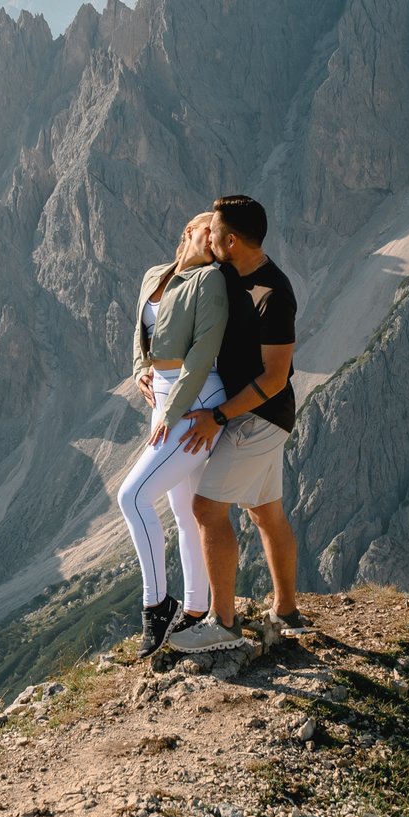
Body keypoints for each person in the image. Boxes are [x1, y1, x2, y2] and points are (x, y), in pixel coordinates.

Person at [164, 192, 306, 653]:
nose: (208, 237)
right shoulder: (229, 270)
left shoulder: (274, 294)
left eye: (215, 233)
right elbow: (193, 235)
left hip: (258, 418)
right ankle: (286, 613)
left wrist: (219, 416)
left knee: (205, 510)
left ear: (231, 241)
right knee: (266, 512)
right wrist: (149, 371)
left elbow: (275, 375)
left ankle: (222, 625)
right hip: (258, 415)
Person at [114, 212, 232, 654]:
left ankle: (157, 606)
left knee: (133, 496)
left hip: (196, 398)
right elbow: (141, 330)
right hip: (164, 398)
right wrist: (140, 369)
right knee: (187, 513)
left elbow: (203, 352)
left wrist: (173, 413)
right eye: (210, 231)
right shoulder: (154, 275)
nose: (218, 239)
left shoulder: (211, 281)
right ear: (189, 232)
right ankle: (197, 612)